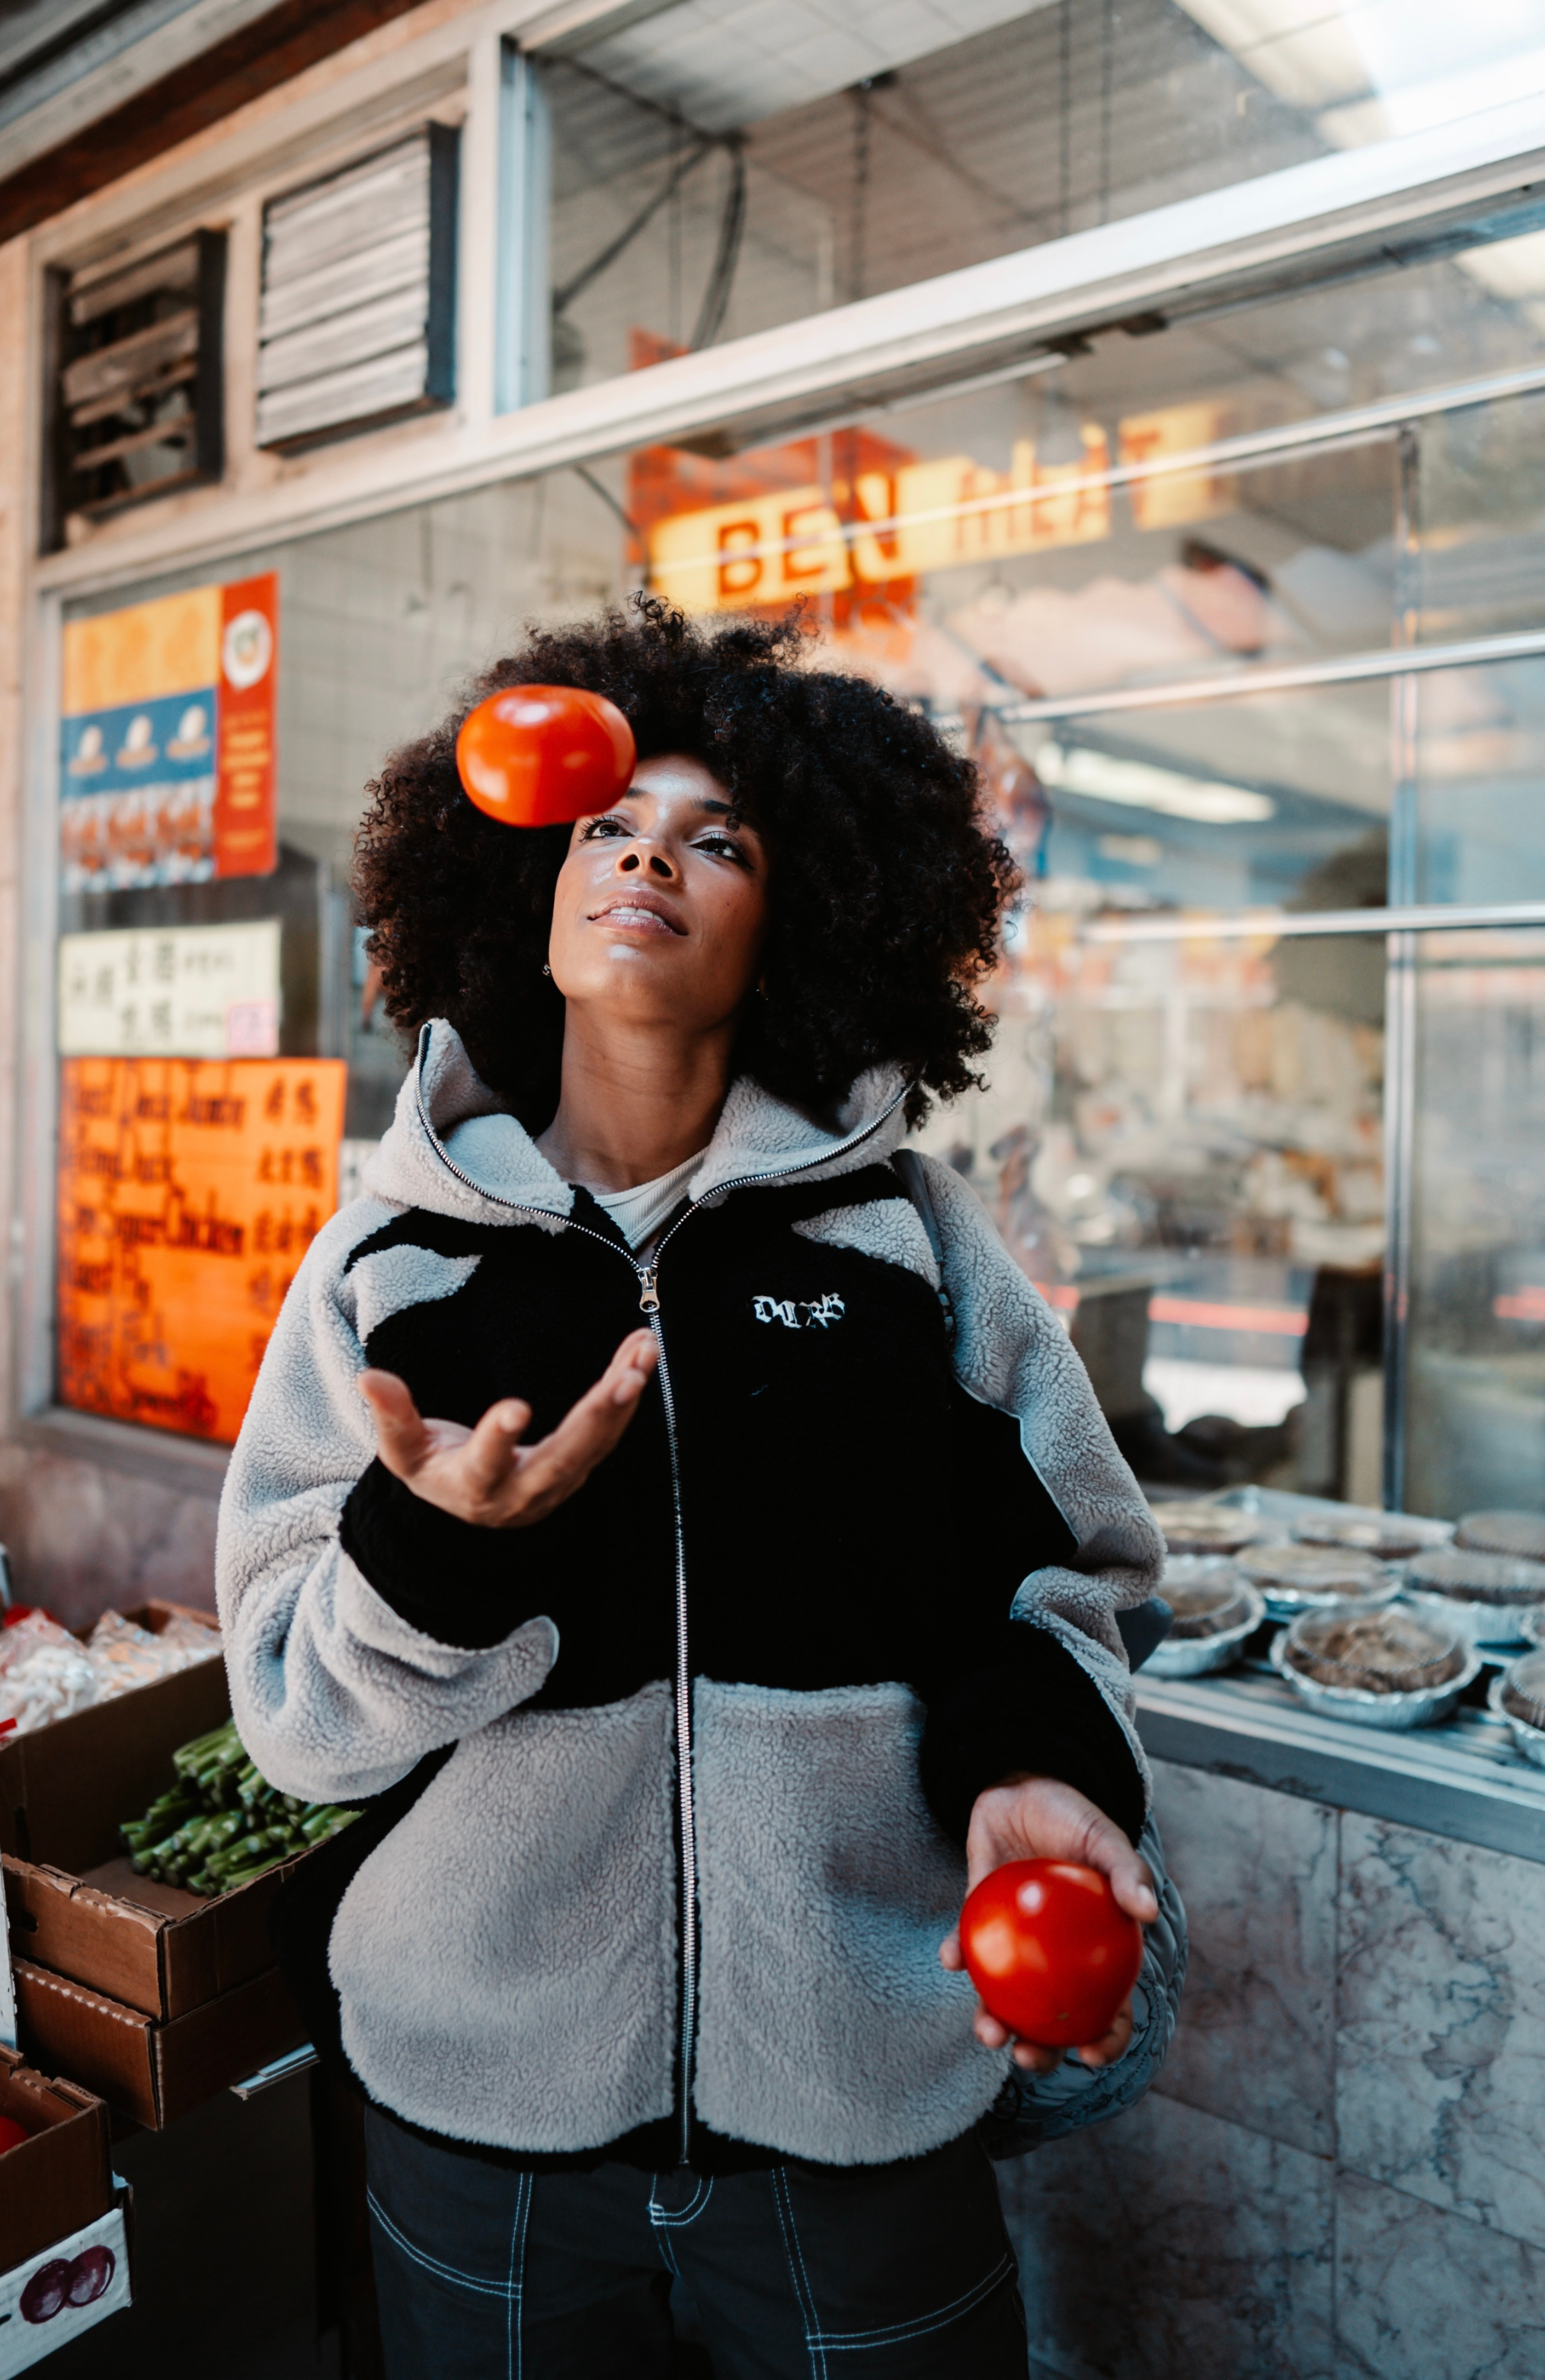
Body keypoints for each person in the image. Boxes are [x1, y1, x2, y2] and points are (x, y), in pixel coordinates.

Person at [216, 598, 1163, 2378]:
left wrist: (1030, 1751)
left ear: (795, 917)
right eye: (605, 823)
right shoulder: (389, 1265)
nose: (646, 850)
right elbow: (293, 1712)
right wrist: (431, 1557)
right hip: (478, 2118)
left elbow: (1072, 1570)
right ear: (527, 890)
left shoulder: (916, 1248)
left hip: (858, 2112)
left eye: (713, 836)